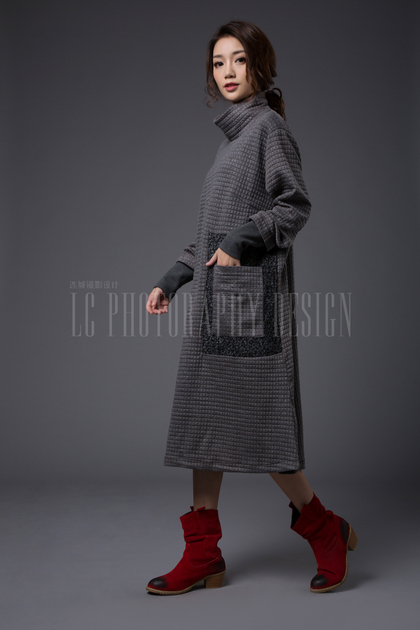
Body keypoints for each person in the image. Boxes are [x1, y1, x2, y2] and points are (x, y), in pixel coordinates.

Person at [145, 20, 357, 595]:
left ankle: (325, 529)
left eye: (238, 60)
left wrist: (244, 239)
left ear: (259, 65)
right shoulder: (229, 144)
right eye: (218, 63)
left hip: (252, 307)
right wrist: (173, 279)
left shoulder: (268, 129)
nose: (228, 72)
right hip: (215, 306)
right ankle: (203, 555)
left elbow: (295, 205)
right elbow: (210, 234)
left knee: (266, 429)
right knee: (202, 424)